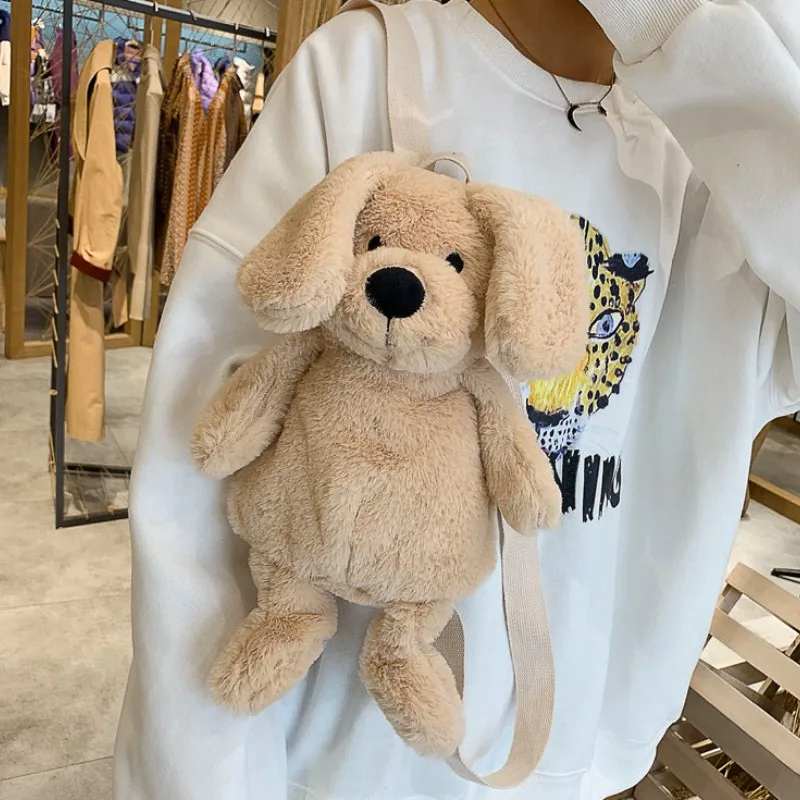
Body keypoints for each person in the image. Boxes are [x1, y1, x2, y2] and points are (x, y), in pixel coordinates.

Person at [113, 1, 800, 799]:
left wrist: (704, 47)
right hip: (329, 767)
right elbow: (192, 493)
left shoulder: (732, 159)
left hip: (566, 752)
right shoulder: (367, 71)